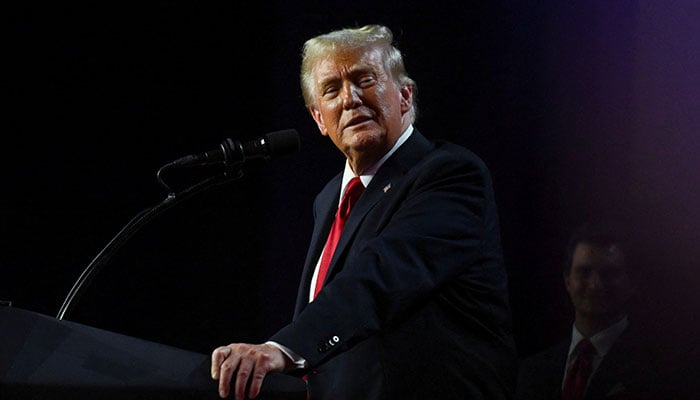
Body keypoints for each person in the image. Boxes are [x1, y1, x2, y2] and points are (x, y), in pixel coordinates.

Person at [211, 24, 516, 400]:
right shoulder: (327, 200)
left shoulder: (449, 174)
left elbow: (381, 275)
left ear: (405, 95)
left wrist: (284, 348)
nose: (350, 99)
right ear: (319, 118)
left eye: (364, 79)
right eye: (331, 90)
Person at [515, 221, 662, 400]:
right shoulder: (533, 371)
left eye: (609, 273)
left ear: (632, 283)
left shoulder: (660, 367)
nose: (595, 285)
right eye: (584, 272)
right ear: (567, 280)